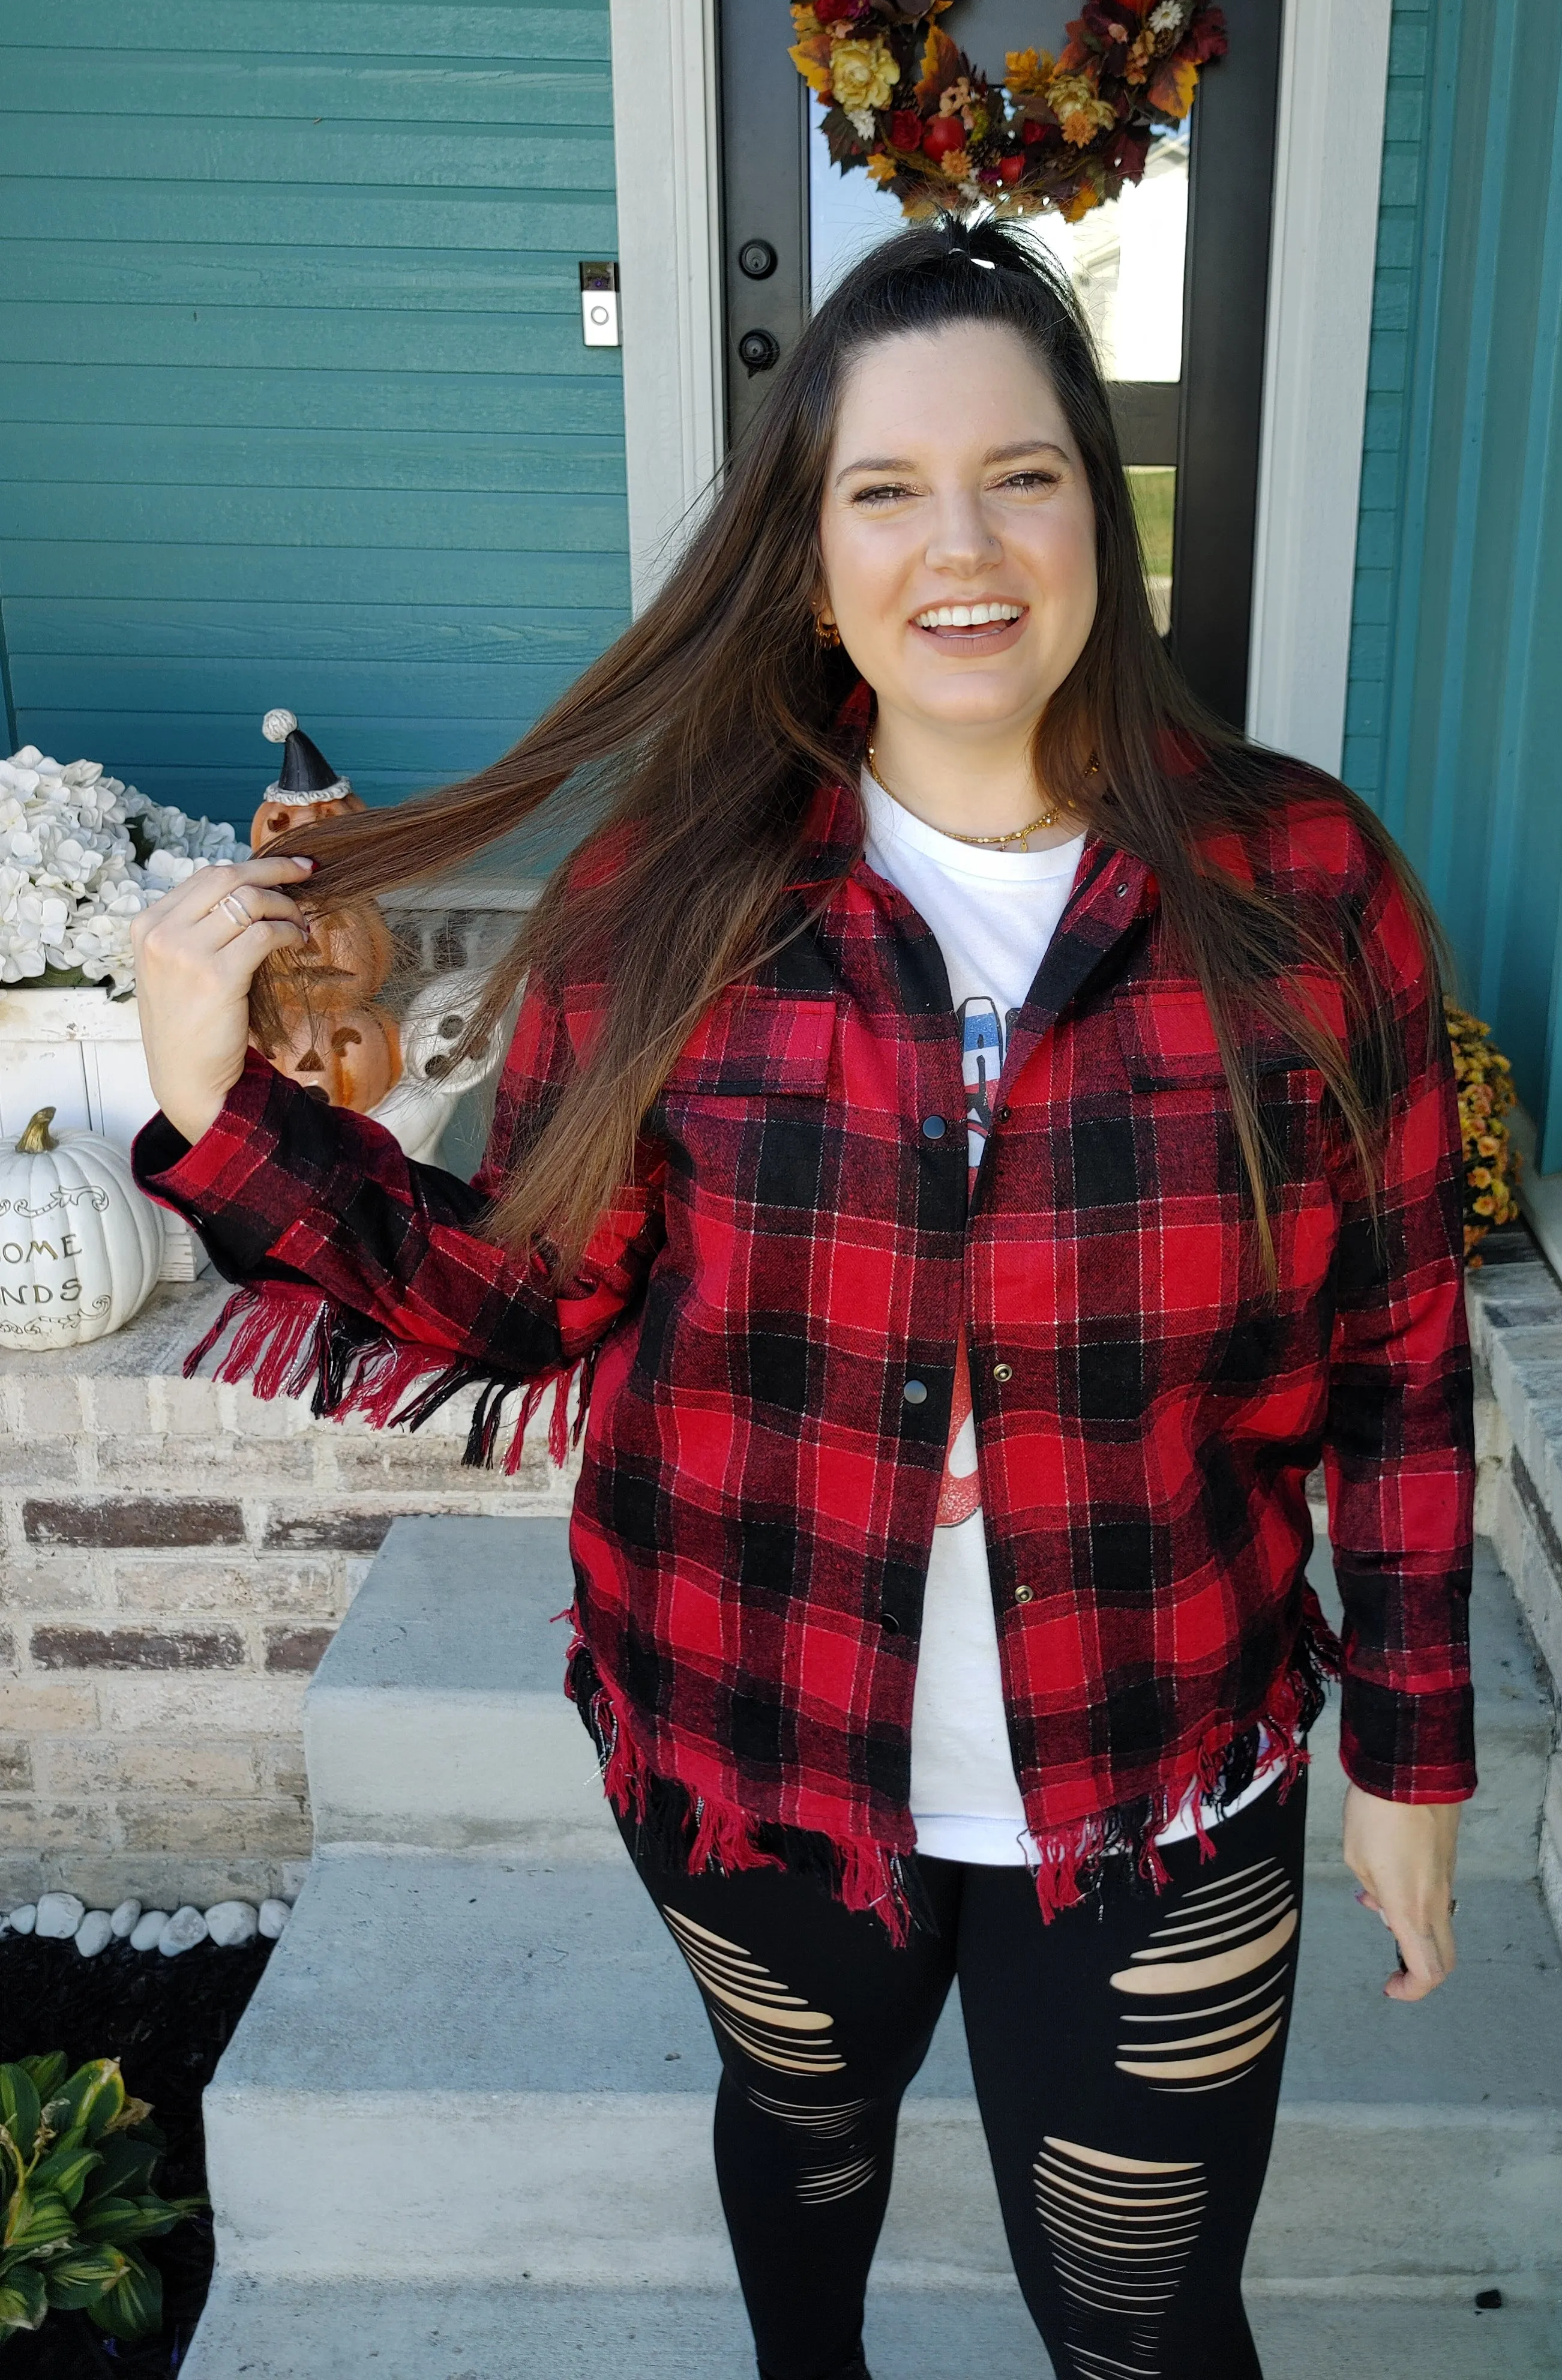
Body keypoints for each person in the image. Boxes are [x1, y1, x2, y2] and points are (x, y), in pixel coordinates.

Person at [130, 219, 1476, 2380]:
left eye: (1024, 474)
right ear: (809, 548)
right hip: (750, 1741)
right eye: (884, 489)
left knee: (1142, 2309)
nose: (964, 544)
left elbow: (1402, 1355)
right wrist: (225, 1107)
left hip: (1164, 1757)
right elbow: (519, 1300)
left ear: (1100, 521)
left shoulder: (1301, 888)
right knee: (806, 2132)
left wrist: (1410, 1751)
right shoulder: (674, 899)